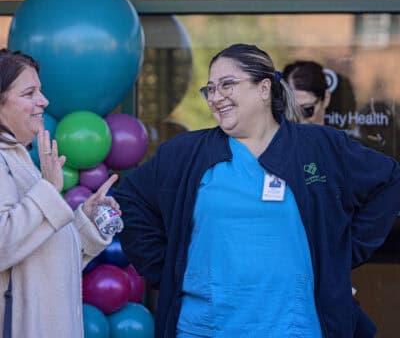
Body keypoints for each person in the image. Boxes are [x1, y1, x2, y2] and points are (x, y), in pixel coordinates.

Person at [115, 43, 400, 338]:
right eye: (210, 89)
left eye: (227, 84)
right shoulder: (186, 153)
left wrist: (342, 251)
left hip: (295, 329)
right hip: (205, 329)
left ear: (264, 89)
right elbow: (130, 200)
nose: (216, 97)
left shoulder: (318, 147)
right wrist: (168, 267)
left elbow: (390, 181)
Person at [0, 49, 120, 338]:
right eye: (30, 93)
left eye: (40, 91)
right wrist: (49, 191)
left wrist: (86, 224)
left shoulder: (20, 160)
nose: (44, 101)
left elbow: (42, 258)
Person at [282, 60, 331, 125]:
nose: (300, 121)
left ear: (326, 99)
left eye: (307, 110)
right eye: (291, 111)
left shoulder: (339, 135)